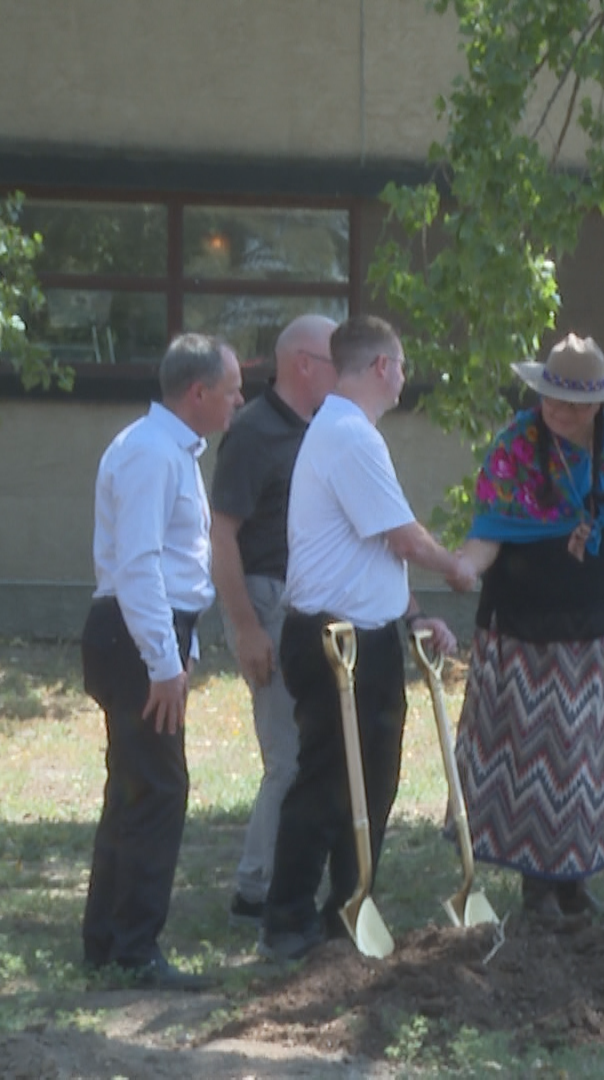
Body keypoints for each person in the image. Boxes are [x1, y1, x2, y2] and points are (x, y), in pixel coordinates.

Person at [258, 315, 472, 961]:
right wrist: (457, 566)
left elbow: (376, 553)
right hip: (334, 640)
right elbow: (405, 537)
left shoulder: (349, 434)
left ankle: (348, 909)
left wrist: (414, 618)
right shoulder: (349, 435)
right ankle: (288, 921)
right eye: (402, 365)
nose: (405, 376)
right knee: (329, 779)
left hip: (368, 635)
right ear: (381, 366)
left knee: (373, 780)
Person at [452, 335, 604, 923]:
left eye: (573, 404)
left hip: (598, 628)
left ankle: (576, 884)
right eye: (550, 399)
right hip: (520, 627)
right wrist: (462, 566)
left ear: (598, 404)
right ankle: (537, 890)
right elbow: (490, 528)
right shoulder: (515, 446)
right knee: (530, 758)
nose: (559, 412)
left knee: (586, 759)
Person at [83, 333, 244, 990]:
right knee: (158, 789)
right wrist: (163, 661)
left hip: (141, 630)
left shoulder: (166, 450)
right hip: (135, 633)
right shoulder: (153, 454)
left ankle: (107, 940)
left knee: (134, 786)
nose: (239, 401)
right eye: (232, 390)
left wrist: (182, 645)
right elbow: (140, 564)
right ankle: (133, 949)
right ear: (197, 392)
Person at [209, 314, 338, 928]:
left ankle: (287, 879)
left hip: (310, 605)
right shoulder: (255, 433)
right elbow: (222, 536)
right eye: (338, 360)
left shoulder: (321, 428)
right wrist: (246, 627)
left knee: (313, 752)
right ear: (304, 363)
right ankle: (254, 890)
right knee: (286, 757)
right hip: (269, 600)